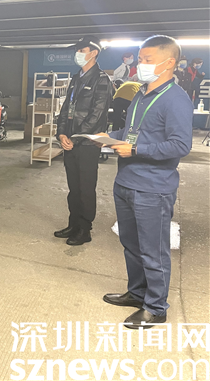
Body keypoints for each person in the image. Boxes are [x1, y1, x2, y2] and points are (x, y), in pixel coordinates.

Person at [100, 35, 193, 328]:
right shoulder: (140, 94)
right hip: (126, 181)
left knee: (154, 251)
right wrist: (107, 137)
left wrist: (136, 150)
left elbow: (180, 145)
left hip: (153, 188)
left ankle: (155, 307)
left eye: (148, 60)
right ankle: (138, 293)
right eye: (140, 59)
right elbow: (132, 131)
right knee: (131, 244)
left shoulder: (176, 99)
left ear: (169, 63)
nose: (141, 64)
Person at [55, 35, 113, 245]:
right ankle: (73, 224)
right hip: (70, 141)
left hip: (87, 144)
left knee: (86, 188)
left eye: (82, 50)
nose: (77, 54)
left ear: (94, 53)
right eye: (77, 50)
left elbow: (96, 116)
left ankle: (85, 229)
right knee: (74, 188)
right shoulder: (76, 78)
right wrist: (61, 133)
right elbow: (65, 109)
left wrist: (75, 138)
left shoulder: (101, 80)